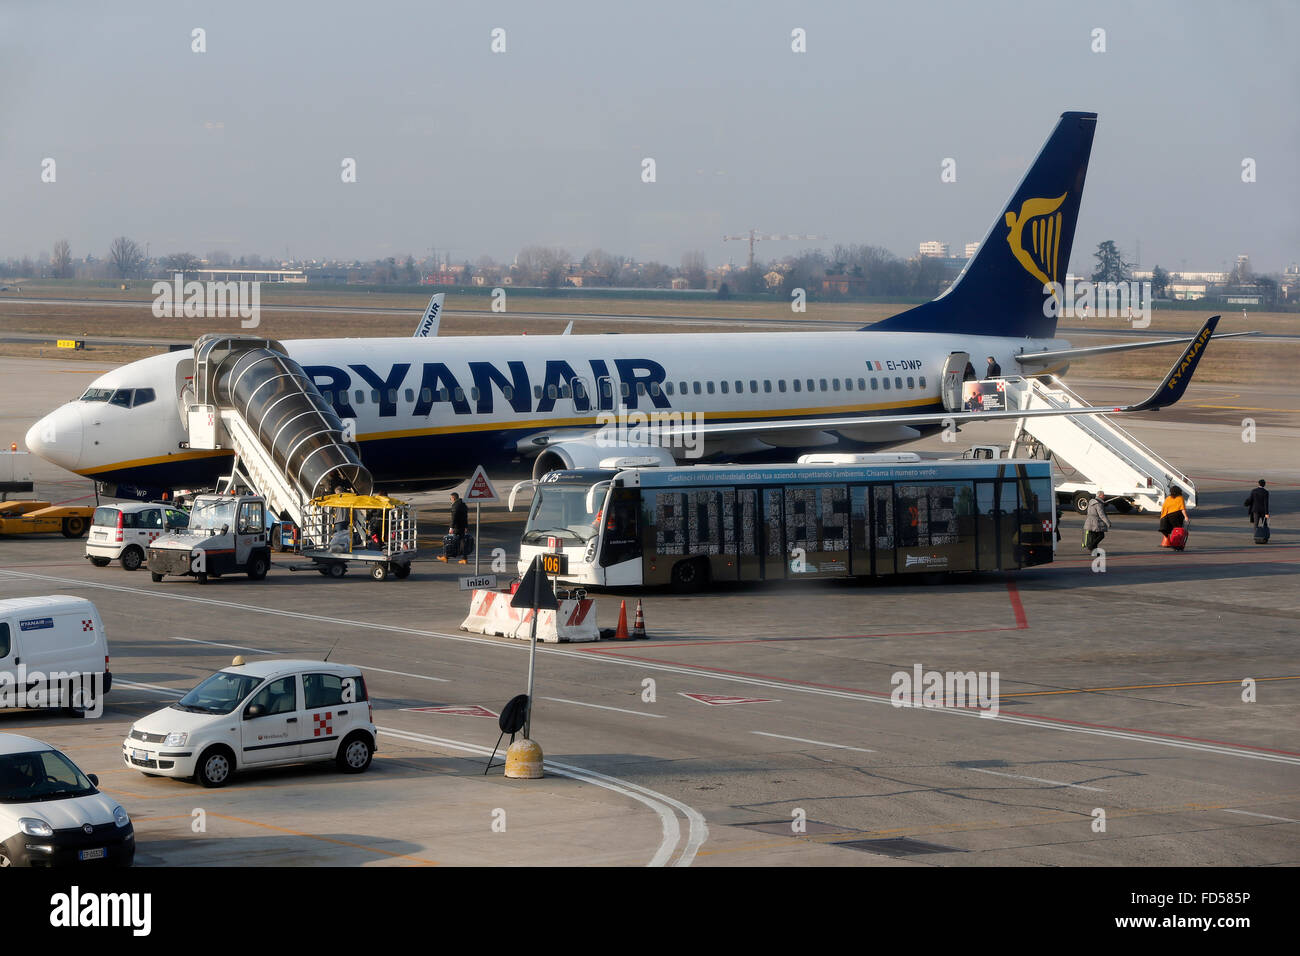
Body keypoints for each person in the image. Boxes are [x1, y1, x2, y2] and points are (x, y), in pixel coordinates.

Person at [440, 492, 470, 561]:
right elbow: (465, 516)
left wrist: (451, 527)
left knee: (450, 541)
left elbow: (454, 517)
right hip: (462, 526)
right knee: (462, 541)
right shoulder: (463, 504)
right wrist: (466, 526)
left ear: (453, 498)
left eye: (450, 498)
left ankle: (446, 556)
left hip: (457, 527)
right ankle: (464, 558)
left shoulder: (455, 506)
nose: (450, 500)